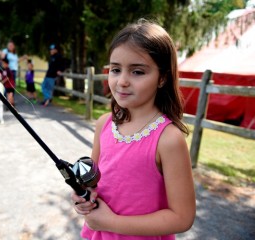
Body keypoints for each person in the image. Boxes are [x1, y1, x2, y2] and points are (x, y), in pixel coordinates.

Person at [71, 18, 196, 240]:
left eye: (137, 72)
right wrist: (84, 197)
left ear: (162, 78)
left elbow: (182, 217)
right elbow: (94, 183)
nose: (122, 81)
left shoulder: (168, 139)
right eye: (116, 69)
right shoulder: (104, 124)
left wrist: (112, 222)